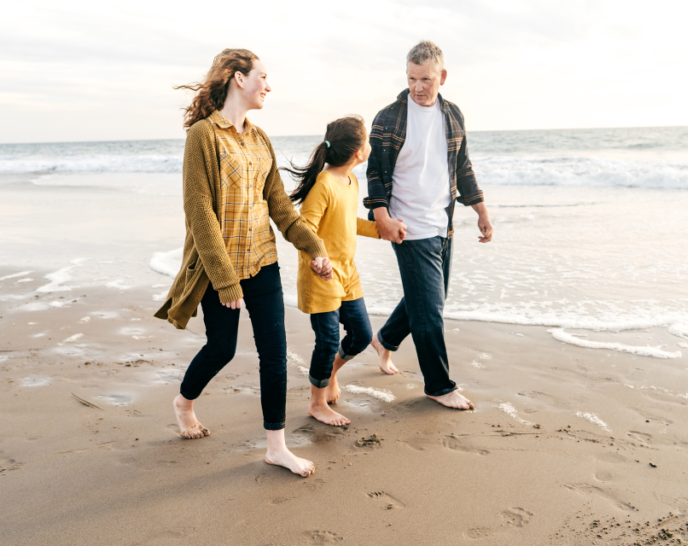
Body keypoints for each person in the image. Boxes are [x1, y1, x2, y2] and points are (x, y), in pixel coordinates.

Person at [154, 48, 333, 478]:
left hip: (263, 261)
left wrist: (314, 248)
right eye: (263, 77)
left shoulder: (259, 138)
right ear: (238, 78)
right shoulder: (203, 135)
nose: (268, 86)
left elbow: (279, 207)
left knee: (275, 354)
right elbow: (198, 211)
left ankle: (276, 446)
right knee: (223, 348)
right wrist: (224, 279)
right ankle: (184, 402)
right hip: (222, 270)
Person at [364, 40, 493, 410]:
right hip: (407, 226)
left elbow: (462, 165)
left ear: (442, 77)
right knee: (431, 309)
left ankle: (385, 339)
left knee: (430, 299)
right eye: (412, 78)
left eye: (426, 79)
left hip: (442, 223)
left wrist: (480, 209)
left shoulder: (452, 114)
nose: (418, 87)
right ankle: (438, 385)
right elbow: (374, 173)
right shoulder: (389, 117)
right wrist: (382, 216)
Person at [283, 115, 401, 427]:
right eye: (367, 142)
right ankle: (317, 403)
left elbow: (349, 223)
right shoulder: (322, 185)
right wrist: (318, 257)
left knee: (361, 334)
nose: (369, 147)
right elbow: (304, 227)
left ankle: (331, 372)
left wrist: (382, 230)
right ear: (357, 152)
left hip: (348, 273)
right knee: (327, 340)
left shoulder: (351, 182)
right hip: (320, 276)